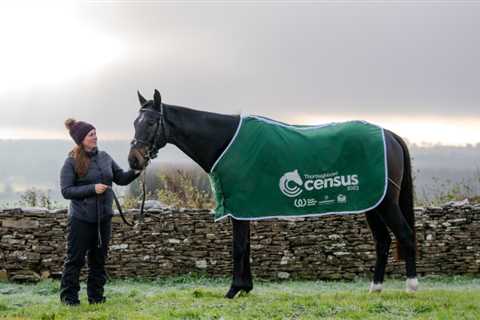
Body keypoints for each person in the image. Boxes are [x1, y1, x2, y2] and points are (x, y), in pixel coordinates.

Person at [59, 118, 140, 306]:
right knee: (75, 260)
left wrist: (136, 170)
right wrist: (92, 189)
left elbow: (121, 178)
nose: (95, 137)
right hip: (81, 219)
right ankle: (69, 299)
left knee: (98, 261)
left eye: (95, 133)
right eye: (91, 135)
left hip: (104, 219)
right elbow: (66, 191)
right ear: (81, 139)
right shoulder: (71, 161)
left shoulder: (105, 156)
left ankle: (96, 298)